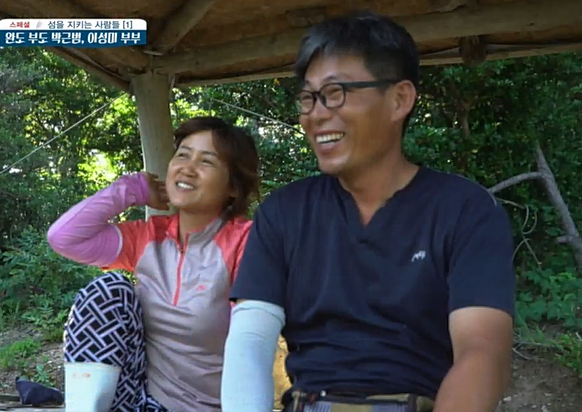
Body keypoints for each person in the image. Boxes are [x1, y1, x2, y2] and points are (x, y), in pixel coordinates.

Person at [220, 10, 516, 412]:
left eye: (335, 92)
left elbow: (482, 353)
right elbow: (251, 341)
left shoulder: (466, 210)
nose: (315, 113)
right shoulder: (283, 213)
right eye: (308, 97)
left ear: (399, 99)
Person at [47, 116, 260, 412]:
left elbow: (250, 347)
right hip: (142, 403)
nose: (187, 168)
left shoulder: (246, 243)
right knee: (108, 290)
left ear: (233, 187)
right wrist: (132, 189)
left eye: (206, 161)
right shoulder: (148, 236)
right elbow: (64, 238)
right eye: (183, 155)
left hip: (209, 407)